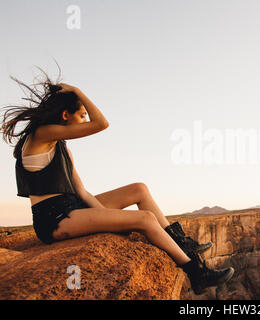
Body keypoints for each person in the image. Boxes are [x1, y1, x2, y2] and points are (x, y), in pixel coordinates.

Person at [0, 64, 234, 295]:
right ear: (65, 115)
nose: (84, 120)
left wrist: (109, 218)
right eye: (81, 116)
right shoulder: (42, 134)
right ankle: (196, 273)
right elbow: (101, 123)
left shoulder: (60, 147)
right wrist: (78, 91)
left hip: (73, 206)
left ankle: (183, 245)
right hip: (54, 218)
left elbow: (82, 192)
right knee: (145, 219)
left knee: (139, 189)